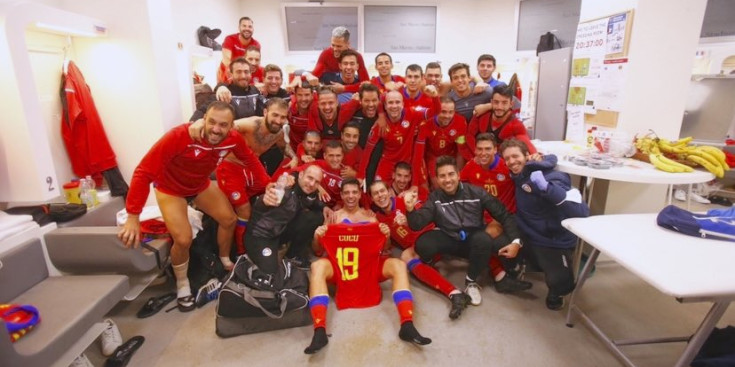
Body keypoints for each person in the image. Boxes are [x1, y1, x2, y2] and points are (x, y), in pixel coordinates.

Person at [118, 101, 267, 311]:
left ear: (232, 126)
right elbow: (143, 172)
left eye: (223, 125)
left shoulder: (233, 139)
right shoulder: (179, 136)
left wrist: (268, 184)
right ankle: (182, 283)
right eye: (212, 122)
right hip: (170, 189)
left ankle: (225, 260)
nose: (216, 129)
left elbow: (250, 159)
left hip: (199, 185)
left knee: (229, 219)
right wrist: (133, 215)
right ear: (204, 119)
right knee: (183, 238)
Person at [306, 178, 431, 354]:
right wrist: (316, 236)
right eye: (347, 193)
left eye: (354, 192)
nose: (351, 196)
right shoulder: (334, 218)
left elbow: (385, 249)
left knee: (398, 265)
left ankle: (407, 324)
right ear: (341, 195)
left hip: (369, 268)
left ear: (360, 194)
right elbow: (318, 250)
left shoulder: (371, 217)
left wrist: (386, 237)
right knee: (317, 266)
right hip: (341, 269)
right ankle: (319, 330)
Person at [405, 156, 529, 306]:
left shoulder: (477, 193)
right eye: (442, 176)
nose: (447, 179)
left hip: (473, 239)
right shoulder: (435, 198)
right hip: (449, 238)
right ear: (437, 180)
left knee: (491, 240)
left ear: (458, 175)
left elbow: (504, 215)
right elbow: (417, 224)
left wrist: (516, 242)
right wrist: (410, 210)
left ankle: (471, 281)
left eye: (451, 174)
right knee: (423, 244)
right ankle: (438, 260)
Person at [189, 98, 295, 255]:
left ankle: (263, 239)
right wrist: (199, 122)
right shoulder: (249, 124)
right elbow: (222, 126)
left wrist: (294, 157)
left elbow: (285, 147)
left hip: (252, 168)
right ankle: (242, 252)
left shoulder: (278, 133)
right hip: (231, 168)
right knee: (244, 210)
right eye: (275, 115)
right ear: (265, 112)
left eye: (283, 117)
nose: (278, 120)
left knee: (274, 196)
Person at [500, 138, 589, 310]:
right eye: (507, 159)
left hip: (551, 239)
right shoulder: (518, 176)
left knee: (560, 282)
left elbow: (581, 211)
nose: (511, 161)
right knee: (495, 240)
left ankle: (556, 291)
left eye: (515, 156)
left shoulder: (553, 176)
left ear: (527, 156)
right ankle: (516, 267)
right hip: (527, 231)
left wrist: (547, 188)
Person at [370, 180, 471, 320]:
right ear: (372, 198)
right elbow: (386, 246)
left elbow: (428, 217)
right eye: (375, 193)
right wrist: (385, 235)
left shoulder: (404, 201)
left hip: (433, 239)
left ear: (389, 192)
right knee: (407, 257)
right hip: (418, 250)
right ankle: (454, 293)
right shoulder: (379, 218)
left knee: (406, 255)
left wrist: (408, 219)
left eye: (382, 191)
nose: (380, 195)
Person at [247, 164, 331, 274]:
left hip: (279, 233)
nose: (312, 184)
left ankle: (293, 256)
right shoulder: (287, 187)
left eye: (316, 182)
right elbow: (267, 198)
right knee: (269, 272)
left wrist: (324, 207)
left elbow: (313, 201)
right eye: (310, 178)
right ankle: (245, 258)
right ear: (300, 175)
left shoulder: (310, 192)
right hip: (261, 236)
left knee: (316, 216)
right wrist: (264, 200)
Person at [358, 89, 439, 187]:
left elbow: (435, 112)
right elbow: (367, 151)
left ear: (403, 104)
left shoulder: (413, 113)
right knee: (378, 189)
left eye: (397, 102)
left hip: (409, 161)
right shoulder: (379, 125)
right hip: (388, 162)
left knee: (422, 190)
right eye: (390, 103)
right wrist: (360, 175)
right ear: (385, 106)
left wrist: (435, 97)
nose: (394, 106)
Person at [414, 96, 470, 189]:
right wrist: (422, 181)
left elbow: (461, 151)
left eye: (451, 112)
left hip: (451, 157)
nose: (447, 116)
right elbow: (419, 155)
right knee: (438, 185)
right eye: (443, 112)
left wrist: (458, 173)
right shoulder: (426, 123)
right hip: (433, 158)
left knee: (454, 183)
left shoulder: (460, 121)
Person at [467, 85, 537, 155]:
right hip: (478, 157)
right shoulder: (481, 116)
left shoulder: (516, 124)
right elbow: (469, 136)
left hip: (502, 162)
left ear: (511, 104)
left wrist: (535, 155)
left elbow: (527, 143)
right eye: (496, 102)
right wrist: (477, 154)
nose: (499, 107)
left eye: (504, 103)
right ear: (491, 102)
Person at [299, 26, 369, 94]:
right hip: (329, 83)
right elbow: (314, 75)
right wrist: (299, 78)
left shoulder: (357, 56)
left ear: (347, 44)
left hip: (347, 84)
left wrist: (345, 88)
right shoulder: (326, 54)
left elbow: (367, 84)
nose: (335, 49)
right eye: (333, 45)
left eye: (339, 46)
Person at [194, 57, 264, 121]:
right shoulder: (224, 93)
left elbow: (265, 108)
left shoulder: (255, 91)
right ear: (231, 74)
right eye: (238, 72)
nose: (243, 76)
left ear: (250, 73)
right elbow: (201, 111)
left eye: (246, 72)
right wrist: (196, 123)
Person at [218, 17, 260, 83]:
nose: (247, 28)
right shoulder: (230, 39)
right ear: (239, 27)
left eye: (250, 26)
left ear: (253, 29)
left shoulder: (256, 44)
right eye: (244, 26)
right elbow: (226, 60)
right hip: (227, 73)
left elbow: (255, 62)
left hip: (243, 74)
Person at [350, 83, 381, 149]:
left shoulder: (384, 114)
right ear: (360, 101)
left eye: (374, 100)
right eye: (367, 101)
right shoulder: (352, 115)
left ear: (379, 100)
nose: (371, 104)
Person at [286, 81, 314, 152]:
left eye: (307, 95)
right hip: (293, 151)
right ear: (295, 95)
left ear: (312, 95)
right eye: (300, 95)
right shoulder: (289, 108)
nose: (303, 99)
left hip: (313, 151)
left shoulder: (317, 109)